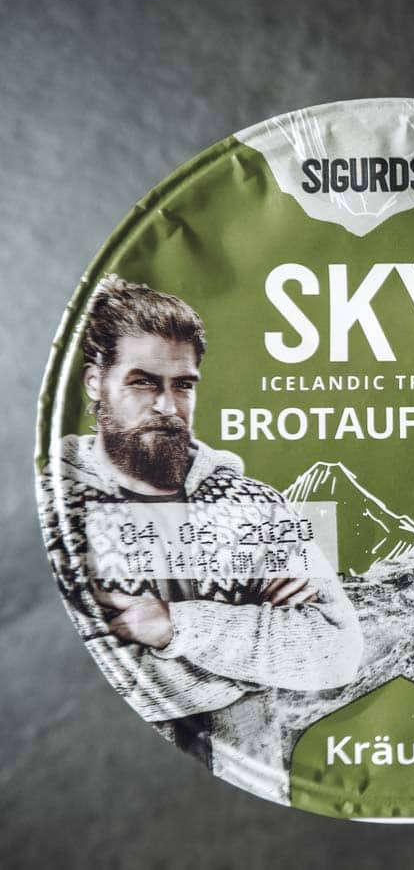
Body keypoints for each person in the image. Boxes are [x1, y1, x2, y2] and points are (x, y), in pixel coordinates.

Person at [36, 275, 363, 804]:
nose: (168, 406)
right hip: (106, 784)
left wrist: (176, 626)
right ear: (96, 382)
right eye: (144, 383)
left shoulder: (254, 503)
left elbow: (337, 649)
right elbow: (90, 677)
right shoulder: (55, 510)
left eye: (183, 385)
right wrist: (258, 638)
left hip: (256, 786)